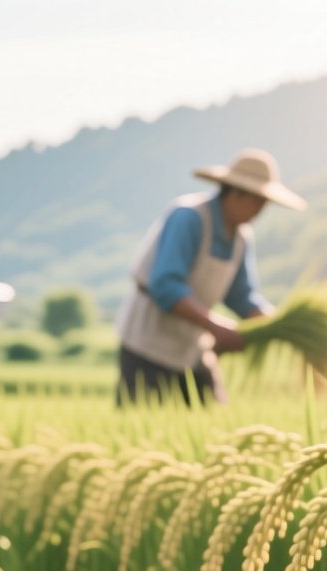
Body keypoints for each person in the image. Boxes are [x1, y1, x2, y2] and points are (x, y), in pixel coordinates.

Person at [113, 148, 304, 406]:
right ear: (236, 193)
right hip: (148, 343)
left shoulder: (240, 237)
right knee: (141, 420)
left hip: (191, 346)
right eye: (257, 202)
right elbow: (166, 284)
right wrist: (216, 327)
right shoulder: (189, 217)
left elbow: (241, 296)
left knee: (213, 417)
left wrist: (277, 324)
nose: (260, 210)